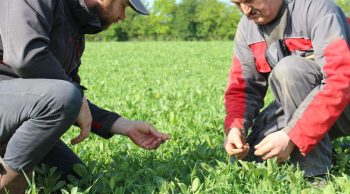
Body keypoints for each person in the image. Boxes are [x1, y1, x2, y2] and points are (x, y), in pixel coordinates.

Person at [0, 0, 170, 192]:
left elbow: (67, 99)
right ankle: (9, 185)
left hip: (13, 112)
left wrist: (125, 125)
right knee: (66, 93)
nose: (123, 17)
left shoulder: (75, 27)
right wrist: (76, 96)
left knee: (74, 176)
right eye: (123, 5)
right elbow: (27, 56)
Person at [224, 0, 350, 178]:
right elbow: (243, 88)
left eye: (249, 0)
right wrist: (236, 129)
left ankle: (314, 175)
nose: (245, 10)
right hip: (309, 103)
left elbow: (340, 80)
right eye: (238, 4)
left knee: (289, 69)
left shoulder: (318, 9)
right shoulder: (247, 28)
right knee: (250, 159)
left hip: (345, 101)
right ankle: (316, 147)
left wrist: (292, 136)